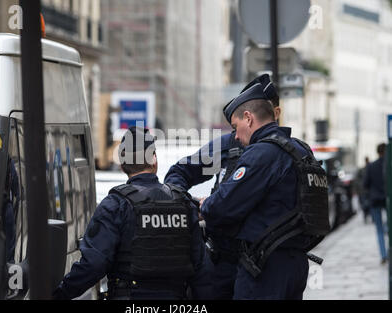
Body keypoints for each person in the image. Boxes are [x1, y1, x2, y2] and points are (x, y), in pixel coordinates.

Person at [199, 80, 329, 300]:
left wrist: (206, 205)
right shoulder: (299, 149)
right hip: (295, 263)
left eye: (235, 127)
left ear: (248, 118)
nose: (237, 136)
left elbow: (223, 206)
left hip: (265, 268)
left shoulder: (261, 153)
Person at [53, 126, 212, 300]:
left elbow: (94, 264)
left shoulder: (114, 204)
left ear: (122, 166)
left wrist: (58, 294)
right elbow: (202, 269)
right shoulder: (184, 203)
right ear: (154, 161)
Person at [164, 74, 281, 300]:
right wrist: (190, 205)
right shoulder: (230, 146)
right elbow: (179, 173)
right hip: (224, 262)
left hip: (265, 264)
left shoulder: (285, 153)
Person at [364, 143, 388, 264]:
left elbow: (365, 184)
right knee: (388, 226)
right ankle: (389, 252)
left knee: (379, 229)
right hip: (387, 199)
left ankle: (384, 255)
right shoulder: (389, 165)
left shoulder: (371, 166)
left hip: (375, 199)